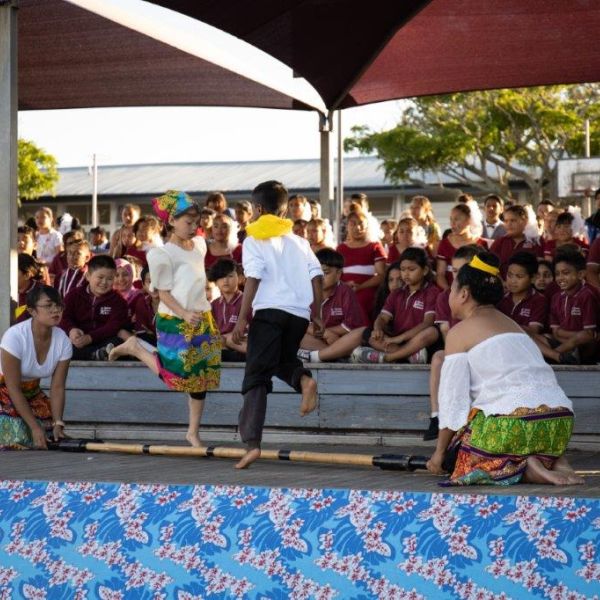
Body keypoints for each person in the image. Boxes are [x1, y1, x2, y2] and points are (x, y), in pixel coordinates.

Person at [426, 251, 582, 486]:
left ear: (464, 294)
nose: (449, 296)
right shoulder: (513, 326)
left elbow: (453, 401)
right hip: (559, 423)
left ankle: (528, 468)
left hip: (515, 425)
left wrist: (439, 454)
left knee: (458, 456)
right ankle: (553, 459)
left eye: (452, 290)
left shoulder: (459, 333)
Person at [108, 191, 221, 448]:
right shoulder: (161, 254)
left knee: (200, 377)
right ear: (171, 221)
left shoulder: (200, 245)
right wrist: (183, 313)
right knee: (175, 376)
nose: (194, 227)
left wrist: (197, 313)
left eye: (196, 222)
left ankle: (193, 432)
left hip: (201, 317)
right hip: (176, 319)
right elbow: (162, 293)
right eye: (188, 222)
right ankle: (136, 348)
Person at [231, 180, 323, 469]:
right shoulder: (299, 240)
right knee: (280, 361)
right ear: (284, 211)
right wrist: (317, 314)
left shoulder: (252, 239)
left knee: (256, 374)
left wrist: (243, 317)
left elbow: (253, 278)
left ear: (257, 209)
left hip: (269, 311)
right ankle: (305, 380)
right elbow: (317, 276)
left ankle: (251, 443)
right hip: (298, 314)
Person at [425, 244, 485, 441]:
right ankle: (436, 417)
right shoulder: (446, 296)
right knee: (438, 357)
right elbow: (446, 332)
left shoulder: (485, 295)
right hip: (456, 351)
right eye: (455, 271)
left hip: (482, 351)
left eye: (463, 271)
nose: (458, 276)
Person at [0, 285, 72, 450]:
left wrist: (58, 422)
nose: (55, 310)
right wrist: (34, 426)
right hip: (5, 391)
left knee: (49, 434)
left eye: (58, 305)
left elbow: (57, 387)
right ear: (32, 311)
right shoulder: (14, 336)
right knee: (18, 434)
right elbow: (13, 388)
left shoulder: (63, 341)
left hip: (32, 394)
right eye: (48, 305)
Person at [352, 247, 440, 365]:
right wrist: (377, 328)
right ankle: (408, 356)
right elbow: (383, 317)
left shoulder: (431, 291)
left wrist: (401, 338)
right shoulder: (397, 293)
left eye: (412, 269)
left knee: (431, 332)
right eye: (403, 270)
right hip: (397, 342)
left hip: (418, 340)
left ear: (424, 271)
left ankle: (386, 358)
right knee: (370, 333)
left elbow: (427, 323)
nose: (406, 274)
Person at [297, 248, 367, 363]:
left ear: (339, 274)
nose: (320, 277)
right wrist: (325, 334)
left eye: (325, 273)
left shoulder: (345, 292)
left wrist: (327, 333)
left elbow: (350, 326)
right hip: (319, 339)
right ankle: (335, 355)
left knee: (361, 332)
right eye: (315, 272)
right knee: (297, 334)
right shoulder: (307, 290)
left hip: (339, 339)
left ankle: (319, 356)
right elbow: (300, 321)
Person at [533, 250, 599, 365]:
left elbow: (588, 334)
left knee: (584, 336)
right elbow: (555, 332)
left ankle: (553, 355)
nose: (560, 278)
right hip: (565, 343)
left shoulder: (588, 294)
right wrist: (561, 334)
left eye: (565, 273)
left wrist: (562, 333)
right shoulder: (556, 297)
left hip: (584, 347)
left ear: (580, 274)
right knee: (529, 336)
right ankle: (559, 356)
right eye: (557, 274)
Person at [60, 254, 129, 360]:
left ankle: (97, 354)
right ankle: (96, 355)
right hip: (78, 341)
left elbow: (113, 326)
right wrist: (71, 330)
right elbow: (63, 316)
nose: (104, 282)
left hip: (103, 341)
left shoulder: (118, 301)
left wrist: (90, 338)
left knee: (118, 343)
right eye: (100, 277)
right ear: (88, 276)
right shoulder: (74, 295)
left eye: (110, 279)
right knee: (63, 345)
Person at [336, 209, 386, 323]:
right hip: (344, 290)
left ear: (367, 226)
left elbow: (381, 275)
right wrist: (345, 285)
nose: (357, 227)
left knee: (359, 301)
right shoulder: (340, 248)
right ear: (347, 226)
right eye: (353, 223)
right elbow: (335, 274)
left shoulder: (375, 246)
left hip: (368, 291)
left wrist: (360, 287)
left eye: (361, 223)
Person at [208, 258, 251, 360]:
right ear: (215, 281)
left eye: (230, 276)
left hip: (243, 347)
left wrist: (225, 338)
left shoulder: (247, 301)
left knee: (231, 339)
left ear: (240, 278)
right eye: (221, 277)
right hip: (221, 349)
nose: (225, 280)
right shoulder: (213, 305)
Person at [436, 204, 486, 290]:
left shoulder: (481, 244)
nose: (452, 223)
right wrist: (450, 293)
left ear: (469, 220)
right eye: (451, 219)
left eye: (457, 219)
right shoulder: (444, 243)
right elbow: (440, 274)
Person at [497, 252, 548, 335]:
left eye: (519, 276)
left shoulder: (539, 300)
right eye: (510, 275)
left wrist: (501, 325)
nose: (513, 281)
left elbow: (533, 331)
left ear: (533, 278)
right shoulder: (501, 297)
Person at [490, 205, 542, 278]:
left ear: (525, 221)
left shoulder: (536, 242)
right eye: (506, 221)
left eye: (513, 220)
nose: (509, 224)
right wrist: (502, 282)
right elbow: (489, 266)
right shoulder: (500, 242)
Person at [130, 266, 158, 346]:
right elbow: (142, 330)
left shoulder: (173, 304)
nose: (153, 287)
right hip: (151, 342)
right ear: (143, 285)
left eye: (158, 281)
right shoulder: (142, 302)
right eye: (149, 281)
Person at [15, 254, 44, 324]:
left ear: (27, 275)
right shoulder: (5, 291)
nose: (8, 274)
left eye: (13, 271)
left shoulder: (42, 293)